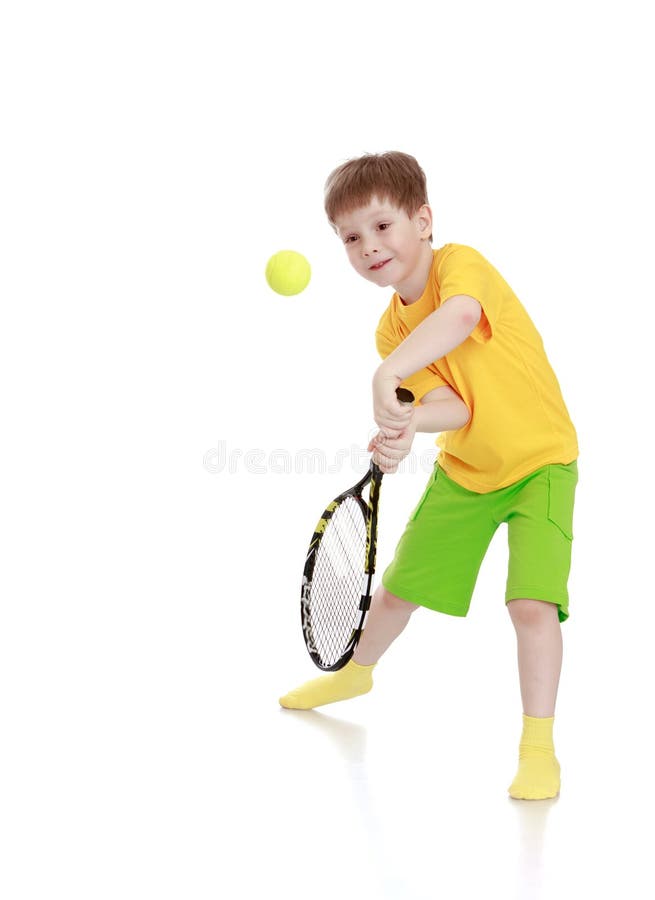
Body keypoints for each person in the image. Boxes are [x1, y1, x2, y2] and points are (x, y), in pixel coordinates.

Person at [279, 151, 579, 801]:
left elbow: (462, 319)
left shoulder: (459, 267)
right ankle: (355, 672)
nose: (368, 246)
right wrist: (406, 424)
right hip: (467, 470)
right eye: (350, 238)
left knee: (530, 606)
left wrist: (387, 383)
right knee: (394, 591)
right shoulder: (391, 330)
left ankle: (537, 748)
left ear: (422, 220)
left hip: (541, 462)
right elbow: (456, 405)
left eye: (381, 226)